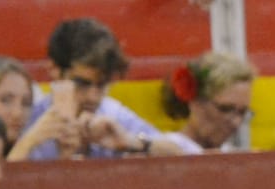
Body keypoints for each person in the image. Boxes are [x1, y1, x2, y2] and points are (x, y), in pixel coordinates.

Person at [24, 17, 184, 160]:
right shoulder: (27, 120)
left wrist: (130, 142)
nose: (93, 97)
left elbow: (186, 155)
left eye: (102, 85)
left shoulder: (113, 115)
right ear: (54, 70)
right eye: (81, 83)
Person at [160, 51, 256, 153]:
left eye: (242, 112)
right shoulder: (160, 151)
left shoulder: (232, 155)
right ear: (196, 102)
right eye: (225, 109)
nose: (236, 122)